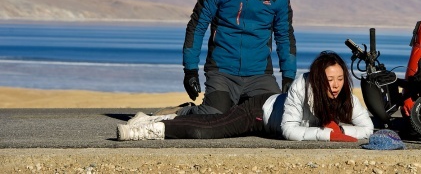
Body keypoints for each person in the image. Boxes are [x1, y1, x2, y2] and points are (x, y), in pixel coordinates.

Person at [117, 51, 374, 142]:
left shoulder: (345, 97)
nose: (336, 85)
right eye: (330, 80)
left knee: (209, 124)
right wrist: (328, 134)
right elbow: (289, 130)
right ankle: (149, 129)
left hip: (270, 113)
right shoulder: (301, 87)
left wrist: (340, 129)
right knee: (209, 129)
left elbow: (368, 127)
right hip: (259, 112)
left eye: (340, 79)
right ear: (319, 79)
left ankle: (155, 120)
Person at [176, 0, 297, 116]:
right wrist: (190, 71)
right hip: (222, 72)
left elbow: (285, 36)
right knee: (214, 115)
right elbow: (196, 27)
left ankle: (238, 107)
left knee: (273, 118)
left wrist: (288, 76)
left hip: (260, 75)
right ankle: (182, 112)